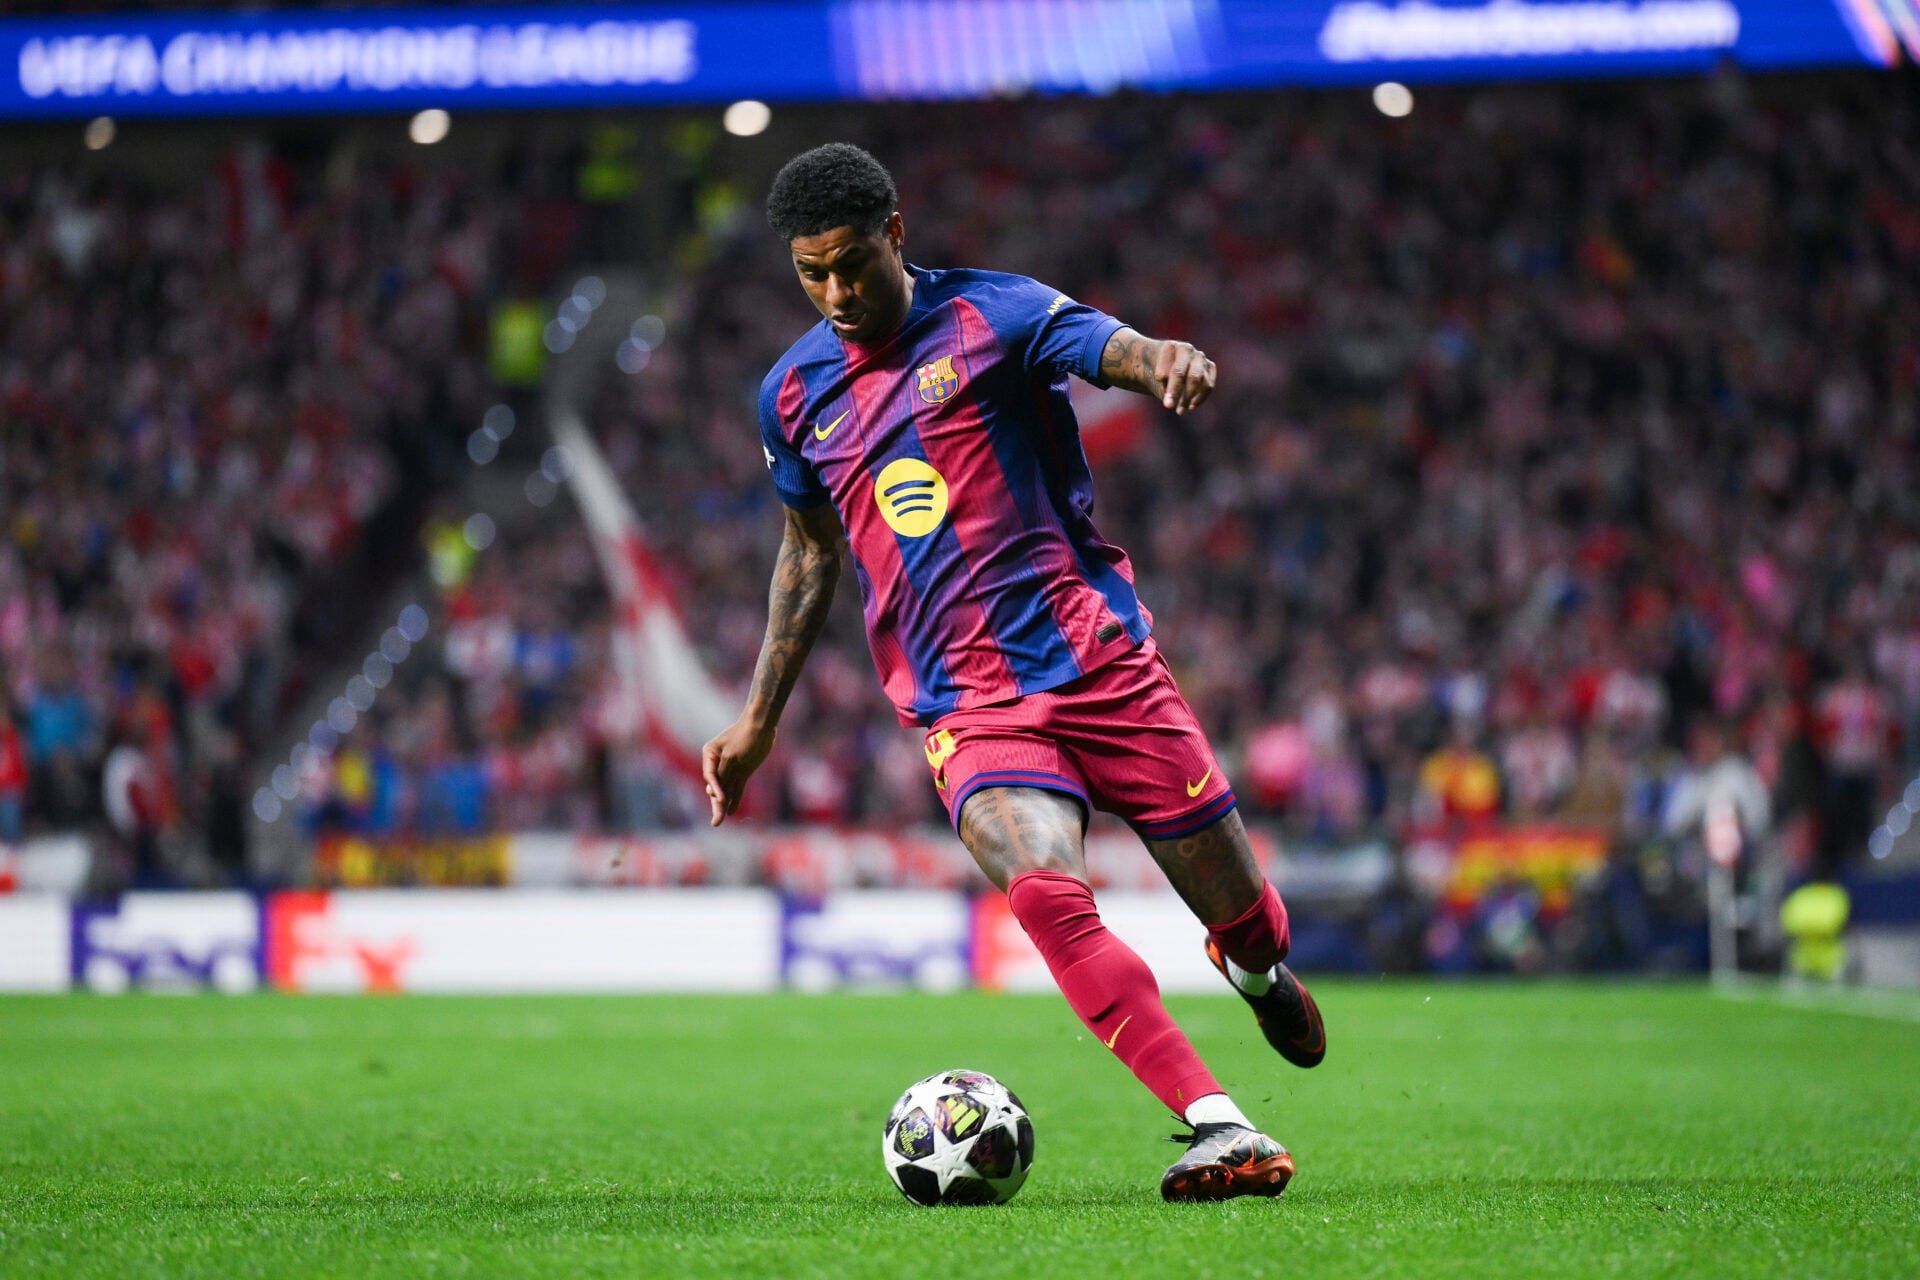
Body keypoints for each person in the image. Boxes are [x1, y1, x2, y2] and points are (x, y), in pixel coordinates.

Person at [701, 144, 1326, 1202]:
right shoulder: (793, 394)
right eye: (813, 274)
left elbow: (1106, 345)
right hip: (967, 703)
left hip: (1098, 662)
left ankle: (1255, 966)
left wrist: (1161, 357)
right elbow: (809, 551)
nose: (838, 292)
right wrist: (757, 719)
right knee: (1045, 893)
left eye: (852, 263)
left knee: (1243, 911)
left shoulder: (993, 313)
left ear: (895, 233)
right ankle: (1221, 1124)